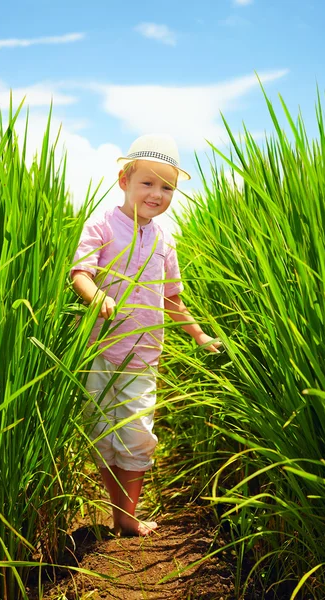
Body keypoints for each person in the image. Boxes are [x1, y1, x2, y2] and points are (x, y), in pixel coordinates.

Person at [71, 134, 221, 537]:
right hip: (99, 350)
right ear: (125, 180)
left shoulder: (164, 240)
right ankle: (116, 511)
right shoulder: (102, 224)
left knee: (138, 435)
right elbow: (80, 273)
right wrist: (96, 294)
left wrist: (200, 336)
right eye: (147, 183)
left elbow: (172, 299)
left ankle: (127, 516)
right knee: (101, 432)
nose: (157, 194)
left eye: (167, 187)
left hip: (144, 355)